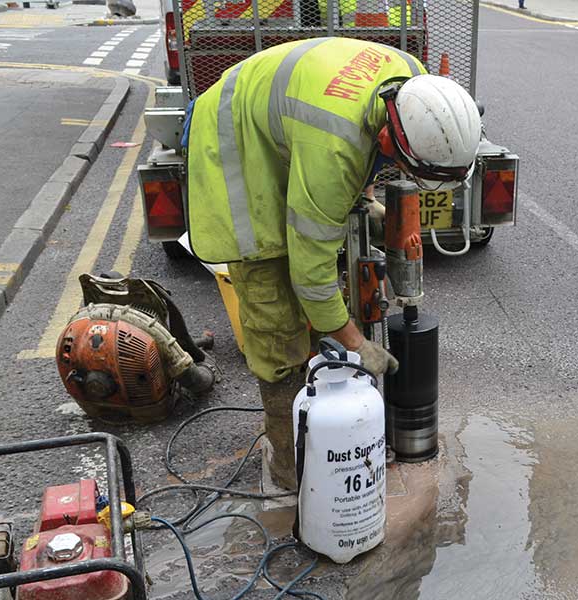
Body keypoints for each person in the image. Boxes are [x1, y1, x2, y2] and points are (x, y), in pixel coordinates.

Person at [185, 37, 482, 489]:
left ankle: (315, 411)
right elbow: (312, 275)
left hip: (297, 121)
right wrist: (357, 343)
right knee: (275, 307)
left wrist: (364, 198)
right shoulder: (332, 149)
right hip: (235, 137)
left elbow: (366, 146)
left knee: (315, 254)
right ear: (390, 137)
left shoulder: (413, 79)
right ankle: (290, 464)